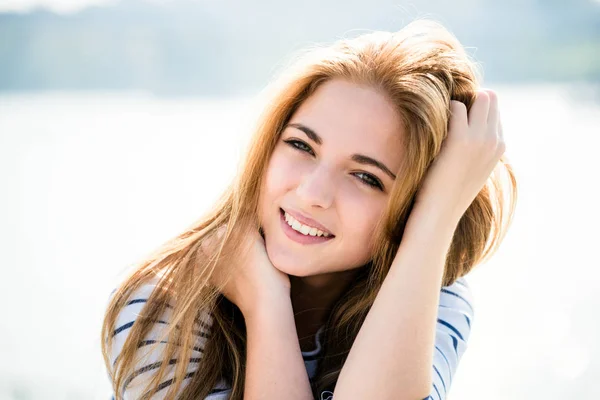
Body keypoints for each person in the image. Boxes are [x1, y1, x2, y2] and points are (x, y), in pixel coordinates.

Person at [101, 19, 517, 400]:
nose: (313, 192)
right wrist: (266, 308)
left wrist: (436, 219)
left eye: (366, 177)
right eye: (301, 145)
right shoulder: (165, 306)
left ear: (413, 207)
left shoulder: (437, 298)